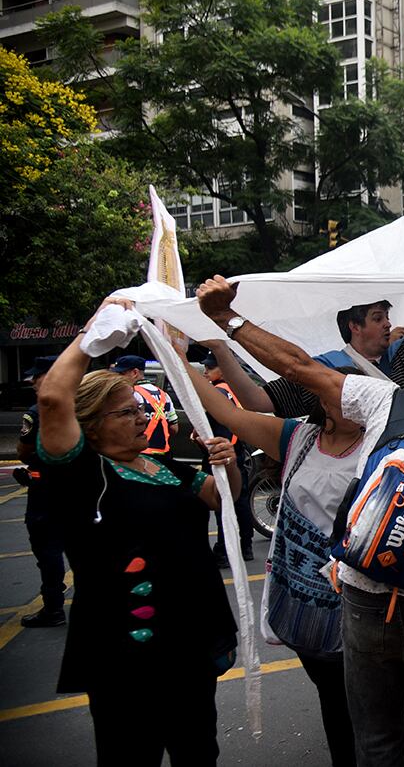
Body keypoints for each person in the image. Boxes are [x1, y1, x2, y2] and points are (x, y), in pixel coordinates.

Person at [195, 276, 404, 767]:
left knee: (376, 740)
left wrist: (226, 319)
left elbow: (297, 366)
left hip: (363, 595)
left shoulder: (388, 399)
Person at [35, 297, 239, 766]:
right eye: (127, 413)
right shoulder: (83, 474)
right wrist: (91, 336)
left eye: (139, 410)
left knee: (198, 752)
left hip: (188, 645)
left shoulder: (163, 466)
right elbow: (51, 398)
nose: (142, 418)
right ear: (90, 423)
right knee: (130, 755)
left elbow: (218, 497)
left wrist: (226, 467)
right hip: (127, 655)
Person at [180, 351, 365, 767]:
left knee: (365, 704)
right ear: (322, 399)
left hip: (359, 604)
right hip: (300, 602)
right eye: (340, 393)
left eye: (360, 396)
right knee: (334, 700)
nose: (352, 402)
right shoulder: (296, 438)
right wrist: (180, 352)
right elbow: (225, 411)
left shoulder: (383, 444)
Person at [206, 286, 404, 418]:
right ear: (355, 327)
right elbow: (256, 401)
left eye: (387, 317)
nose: (388, 324)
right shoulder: (327, 369)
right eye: (378, 318)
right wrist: (220, 349)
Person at [14, 355, 66, 628]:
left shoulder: (38, 411)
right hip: (83, 488)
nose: (34, 382)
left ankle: (54, 607)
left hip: (46, 491)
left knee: (48, 551)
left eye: (38, 376)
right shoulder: (86, 404)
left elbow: (23, 449)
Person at [201, 354, 255, 565]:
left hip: (220, 452)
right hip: (237, 450)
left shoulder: (216, 392)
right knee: (240, 500)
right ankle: (246, 545)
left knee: (221, 502)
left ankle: (224, 550)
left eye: (210, 367)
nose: (206, 371)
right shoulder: (235, 392)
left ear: (222, 369)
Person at [110, 355, 178, 455]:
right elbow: (174, 428)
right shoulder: (164, 395)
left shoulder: (131, 395)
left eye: (121, 373)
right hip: (163, 454)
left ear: (135, 373)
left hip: (138, 455)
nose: (117, 378)